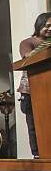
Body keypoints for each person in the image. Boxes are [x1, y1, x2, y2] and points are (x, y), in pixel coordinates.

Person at [18, 12, 51, 159]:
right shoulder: (28, 42)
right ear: (39, 25)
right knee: (34, 126)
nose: (50, 29)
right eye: (47, 26)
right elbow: (28, 57)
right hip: (31, 91)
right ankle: (38, 155)